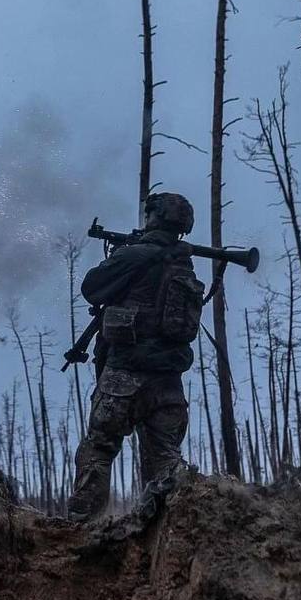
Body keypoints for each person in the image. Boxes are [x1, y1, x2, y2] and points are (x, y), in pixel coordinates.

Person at [66, 192, 205, 522]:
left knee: (99, 447)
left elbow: (92, 287)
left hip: (124, 376)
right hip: (169, 384)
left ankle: (80, 532)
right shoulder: (183, 264)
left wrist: (121, 256)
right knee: (167, 458)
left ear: (155, 217)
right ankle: (177, 528)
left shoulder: (136, 255)